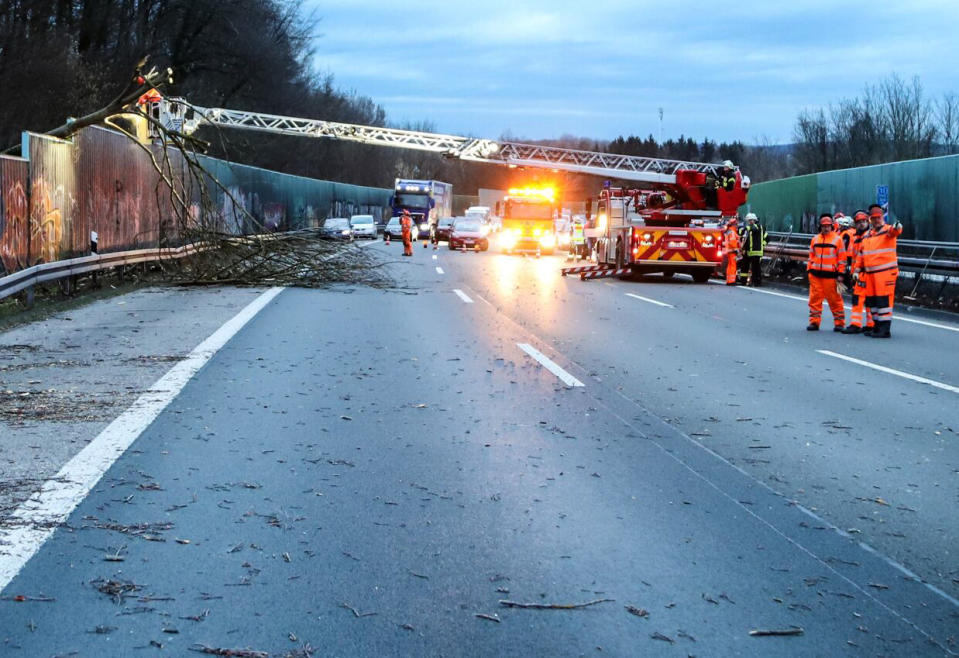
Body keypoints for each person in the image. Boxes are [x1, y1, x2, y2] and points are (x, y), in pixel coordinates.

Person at [854, 204, 903, 338]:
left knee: (884, 302)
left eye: (878, 218)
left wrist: (897, 226)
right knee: (872, 302)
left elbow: (896, 230)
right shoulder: (867, 236)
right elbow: (861, 255)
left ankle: (884, 329)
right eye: (874, 218)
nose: (876, 220)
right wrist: (856, 271)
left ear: (882, 217)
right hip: (871, 274)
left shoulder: (887, 231)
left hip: (885, 274)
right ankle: (876, 326)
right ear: (870, 219)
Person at [806, 214, 846, 331]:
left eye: (828, 226)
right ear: (820, 226)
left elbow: (842, 259)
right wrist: (810, 270)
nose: (826, 228)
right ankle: (814, 322)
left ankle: (839, 323)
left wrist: (841, 274)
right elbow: (811, 256)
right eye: (824, 226)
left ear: (832, 226)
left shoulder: (837, 240)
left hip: (831, 276)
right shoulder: (815, 239)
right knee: (814, 300)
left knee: (835, 300)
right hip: (815, 275)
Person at [841, 211, 874, 334]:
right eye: (859, 222)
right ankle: (864, 324)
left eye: (863, 221)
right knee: (860, 299)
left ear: (867, 222)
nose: (861, 224)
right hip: (859, 274)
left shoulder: (869, 236)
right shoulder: (856, 238)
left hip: (867, 273)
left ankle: (863, 324)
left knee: (866, 300)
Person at [738, 212, 768, 286]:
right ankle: (743, 281)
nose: (749, 222)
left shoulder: (758, 227)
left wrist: (762, 245)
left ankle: (757, 282)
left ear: (754, 220)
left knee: (756, 269)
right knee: (744, 267)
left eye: (750, 220)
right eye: (748, 221)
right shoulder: (749, 229)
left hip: (755, 252)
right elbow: (742, 234)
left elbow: (767, 238)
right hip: (748, 252)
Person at [722, 216, 741, 285]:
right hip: (733, 251)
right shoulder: (732, 231)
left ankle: (728, 280)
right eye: (736, 224)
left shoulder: (729, 231)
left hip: (729, 251)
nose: (737, 226)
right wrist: (737, 250)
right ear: (733, 224)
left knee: (729, 266)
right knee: (733, 266)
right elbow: (733, 242)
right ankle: (732, 281)